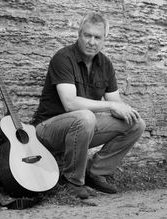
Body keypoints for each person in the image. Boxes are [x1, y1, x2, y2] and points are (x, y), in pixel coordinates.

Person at [31, 12, 146, 199]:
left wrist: (126, 110)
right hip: (47, 130)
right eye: (87, 35)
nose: (92, 41)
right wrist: (110, 107)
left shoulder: (105, 64)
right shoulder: (63, 58)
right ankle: (72, 181)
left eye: (97, 37)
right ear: (79, 34)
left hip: (83, 129)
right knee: (85, 116)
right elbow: (70, 103)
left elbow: (115, 102)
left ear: (104, 40)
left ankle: (96, 172)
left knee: (136, 123)